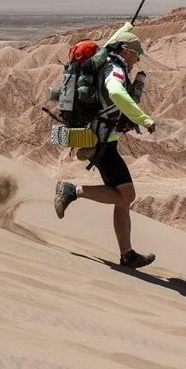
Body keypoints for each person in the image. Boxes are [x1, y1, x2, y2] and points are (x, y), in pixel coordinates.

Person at [54, 22, 158, 269]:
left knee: (123, 199)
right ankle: (71, 190)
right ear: (124, 51)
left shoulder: (107, 60)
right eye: (135, 54)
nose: (137, 60)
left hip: (97, 137)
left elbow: (115, 41)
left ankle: (127, 254)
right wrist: (144, 119)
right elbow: (117, 93)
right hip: (100, 140)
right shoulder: (115, 70)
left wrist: (128, 26)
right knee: (127, 195)